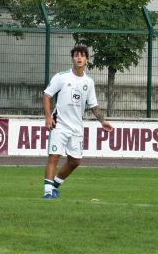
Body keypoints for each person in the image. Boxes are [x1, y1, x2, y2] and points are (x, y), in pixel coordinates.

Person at [42, 44, 114, 199]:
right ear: (72, 58)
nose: (79, 58)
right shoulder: (61, 77)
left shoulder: (89, 82)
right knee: (54, 156)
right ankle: (48, 192)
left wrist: (103, 121)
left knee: (75, 161)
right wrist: (48, 117)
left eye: (82, 55)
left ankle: (54, 186)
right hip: (59, 124)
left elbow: (93, 104)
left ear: (87, 59)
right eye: (76, 55)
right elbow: (47, 95)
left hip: (76, 127)